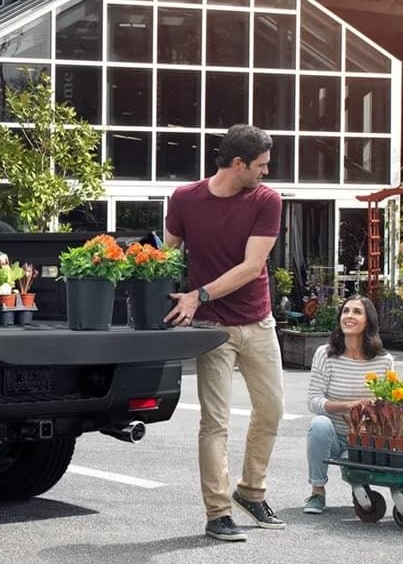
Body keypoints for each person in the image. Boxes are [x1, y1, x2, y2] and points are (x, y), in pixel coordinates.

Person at [162, 123, 285, 542]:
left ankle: (251, 490)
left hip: (258, 322)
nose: (266, 172)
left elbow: (253, 267)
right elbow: (166, 251)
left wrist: (199, 293)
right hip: (211, 330)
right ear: (238, 164)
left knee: (271, 412)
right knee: (215, 423)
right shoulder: (185, 199)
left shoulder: (266, 200)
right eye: (262, 165)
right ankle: (218, 513)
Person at [302, 295, 395, 514]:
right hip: (333, 436)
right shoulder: (325, 355)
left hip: (364, 439)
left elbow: (389, 405)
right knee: (319, 424)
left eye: (356, 312)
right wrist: (349, 406)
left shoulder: (384, 360)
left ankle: (361, 483)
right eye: (346, 311)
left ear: (368, 321)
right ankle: (317, 492)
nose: (349, 316)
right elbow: (313, 401)